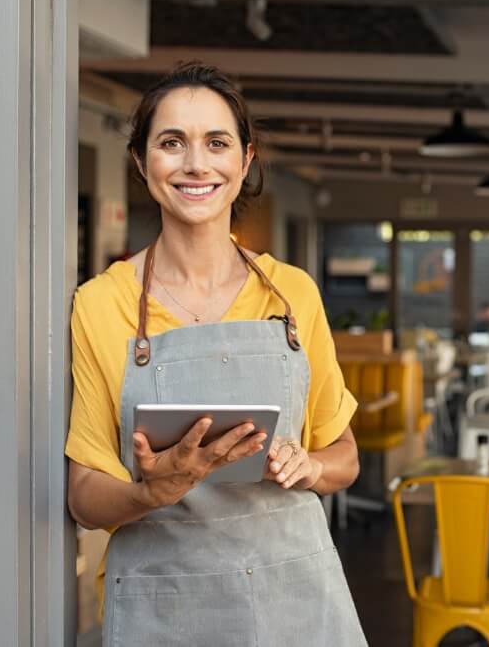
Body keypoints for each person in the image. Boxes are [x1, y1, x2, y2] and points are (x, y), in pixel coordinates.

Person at [65, 62, 367, 646]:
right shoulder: (102, 304)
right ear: (140, 162)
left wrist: (312, 466)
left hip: (294, 597)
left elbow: (345, 454)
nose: (196, 164)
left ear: (245, 160)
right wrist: (151, 491)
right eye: (171, 142)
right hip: (167, 605)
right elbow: (84, 496)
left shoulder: (292, 294)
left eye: (217, 143)